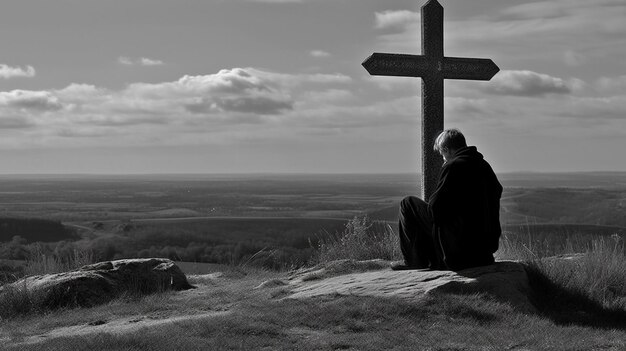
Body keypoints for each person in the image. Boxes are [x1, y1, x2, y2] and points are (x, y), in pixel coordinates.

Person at [393, 129, 503, 271]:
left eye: (442, 154)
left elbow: (434, 209)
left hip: (459, 254)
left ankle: (415, 261)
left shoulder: (454, 166)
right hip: (483, 254)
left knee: (408, 204)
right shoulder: (484, 166)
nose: (443, 158)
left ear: (446, 149)